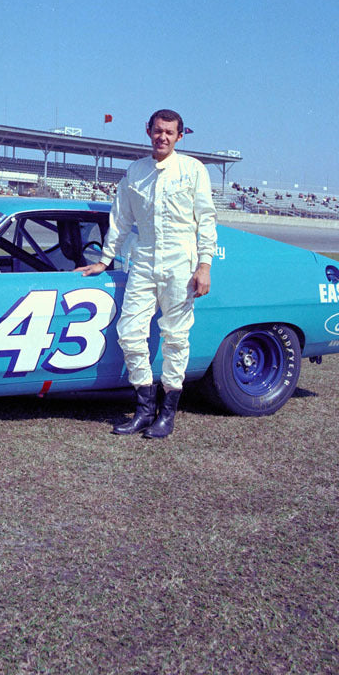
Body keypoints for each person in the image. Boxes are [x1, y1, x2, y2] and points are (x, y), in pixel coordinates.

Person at [77, 109, 216, 438]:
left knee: (176, 338)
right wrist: (105, 258)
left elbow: (206, 219)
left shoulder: (193, 170)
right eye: (157, 131)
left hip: (182, 259)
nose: (162, 137)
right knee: (129, 332)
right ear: (148, 131)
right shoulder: (135, 171)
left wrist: (205, 265)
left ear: (180, 136)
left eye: (169, 132)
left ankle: (167, 414)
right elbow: (121, 218)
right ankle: (143, 409)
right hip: (144, 257)